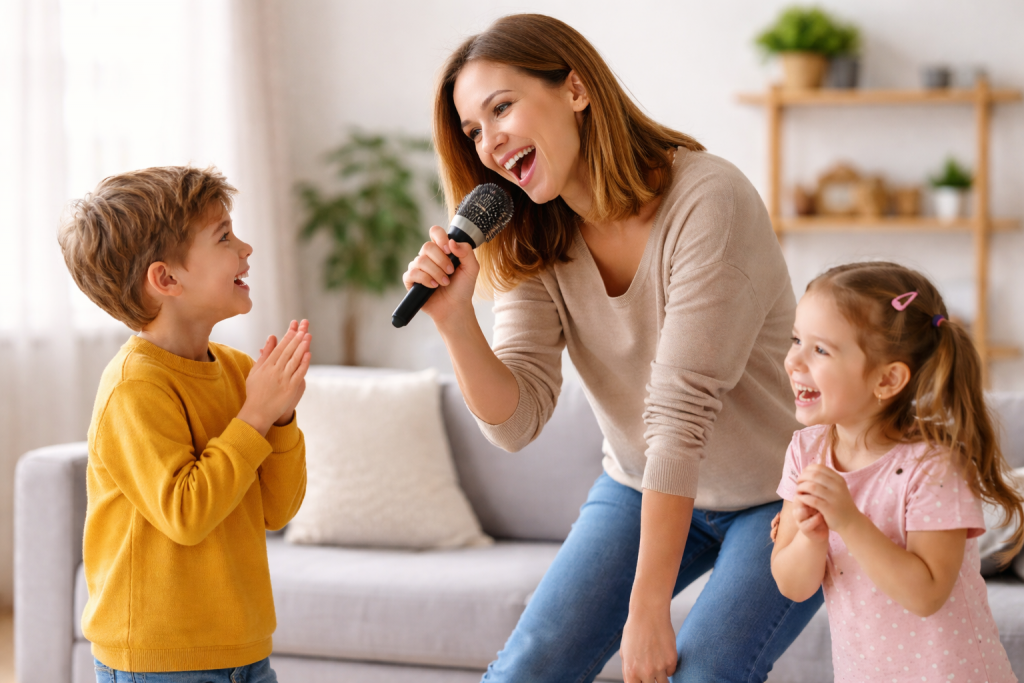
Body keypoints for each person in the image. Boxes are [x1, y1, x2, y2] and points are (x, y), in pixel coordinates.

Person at [403, 13, 822, 683]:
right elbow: (515, 422)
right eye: (474, 131)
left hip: (780, 490)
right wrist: (456, 323)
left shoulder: (708, 199)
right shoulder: (532, 236)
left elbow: (680, 413)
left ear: (574, 88)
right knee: (527, 668)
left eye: (501, 108)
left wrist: (647, 607)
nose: (488, 143)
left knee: (705, 670)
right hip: (638, 482)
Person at [58, 166, 311, 682]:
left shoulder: (240, 372)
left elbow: (278, 511)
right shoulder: (134, 388)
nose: (246, 249)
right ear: (166, 279)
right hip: (157, 662)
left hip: (243, 650)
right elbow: (186, 512)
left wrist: (280, 417)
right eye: (224, 237)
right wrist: (256, 415)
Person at [771, 261, 1023, 683]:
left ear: (888, 379)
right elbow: (793, 586)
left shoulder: (933, 466)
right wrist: (812, 539)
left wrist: (849, 521)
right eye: (796, 339)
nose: (793, 360)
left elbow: (926, 594)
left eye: (820, 349)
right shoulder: (806, 451)